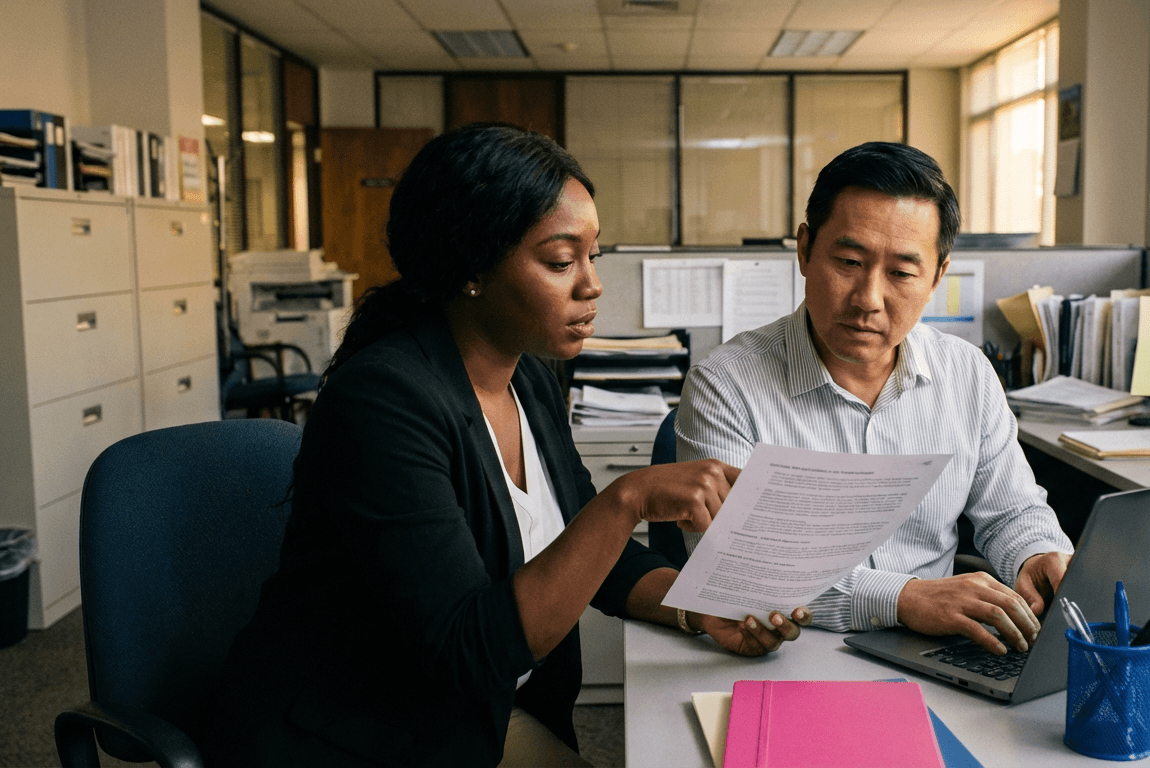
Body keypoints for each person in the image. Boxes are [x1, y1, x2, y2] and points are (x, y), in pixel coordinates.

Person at [206, 123, 808, 768]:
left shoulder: (528, 378)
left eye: (592, 256)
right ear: (471, 268)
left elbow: (586, 553)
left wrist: (703, 610)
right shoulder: (382, 402)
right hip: (360, 735)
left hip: (470, 720)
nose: (591, 285)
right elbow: (468, 650)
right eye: (559, 261)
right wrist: (626, 500)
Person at [675, 142, 1073, 657]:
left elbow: (1011, 509)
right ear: (803, 250)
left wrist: (1035, 554)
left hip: (938, 654)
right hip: (787, 655)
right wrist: (904, 598)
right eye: (848, 261)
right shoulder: (726, 384)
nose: (868, 299)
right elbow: (737, 568)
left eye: (902, 273)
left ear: (936, 278)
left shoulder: (967, 374)